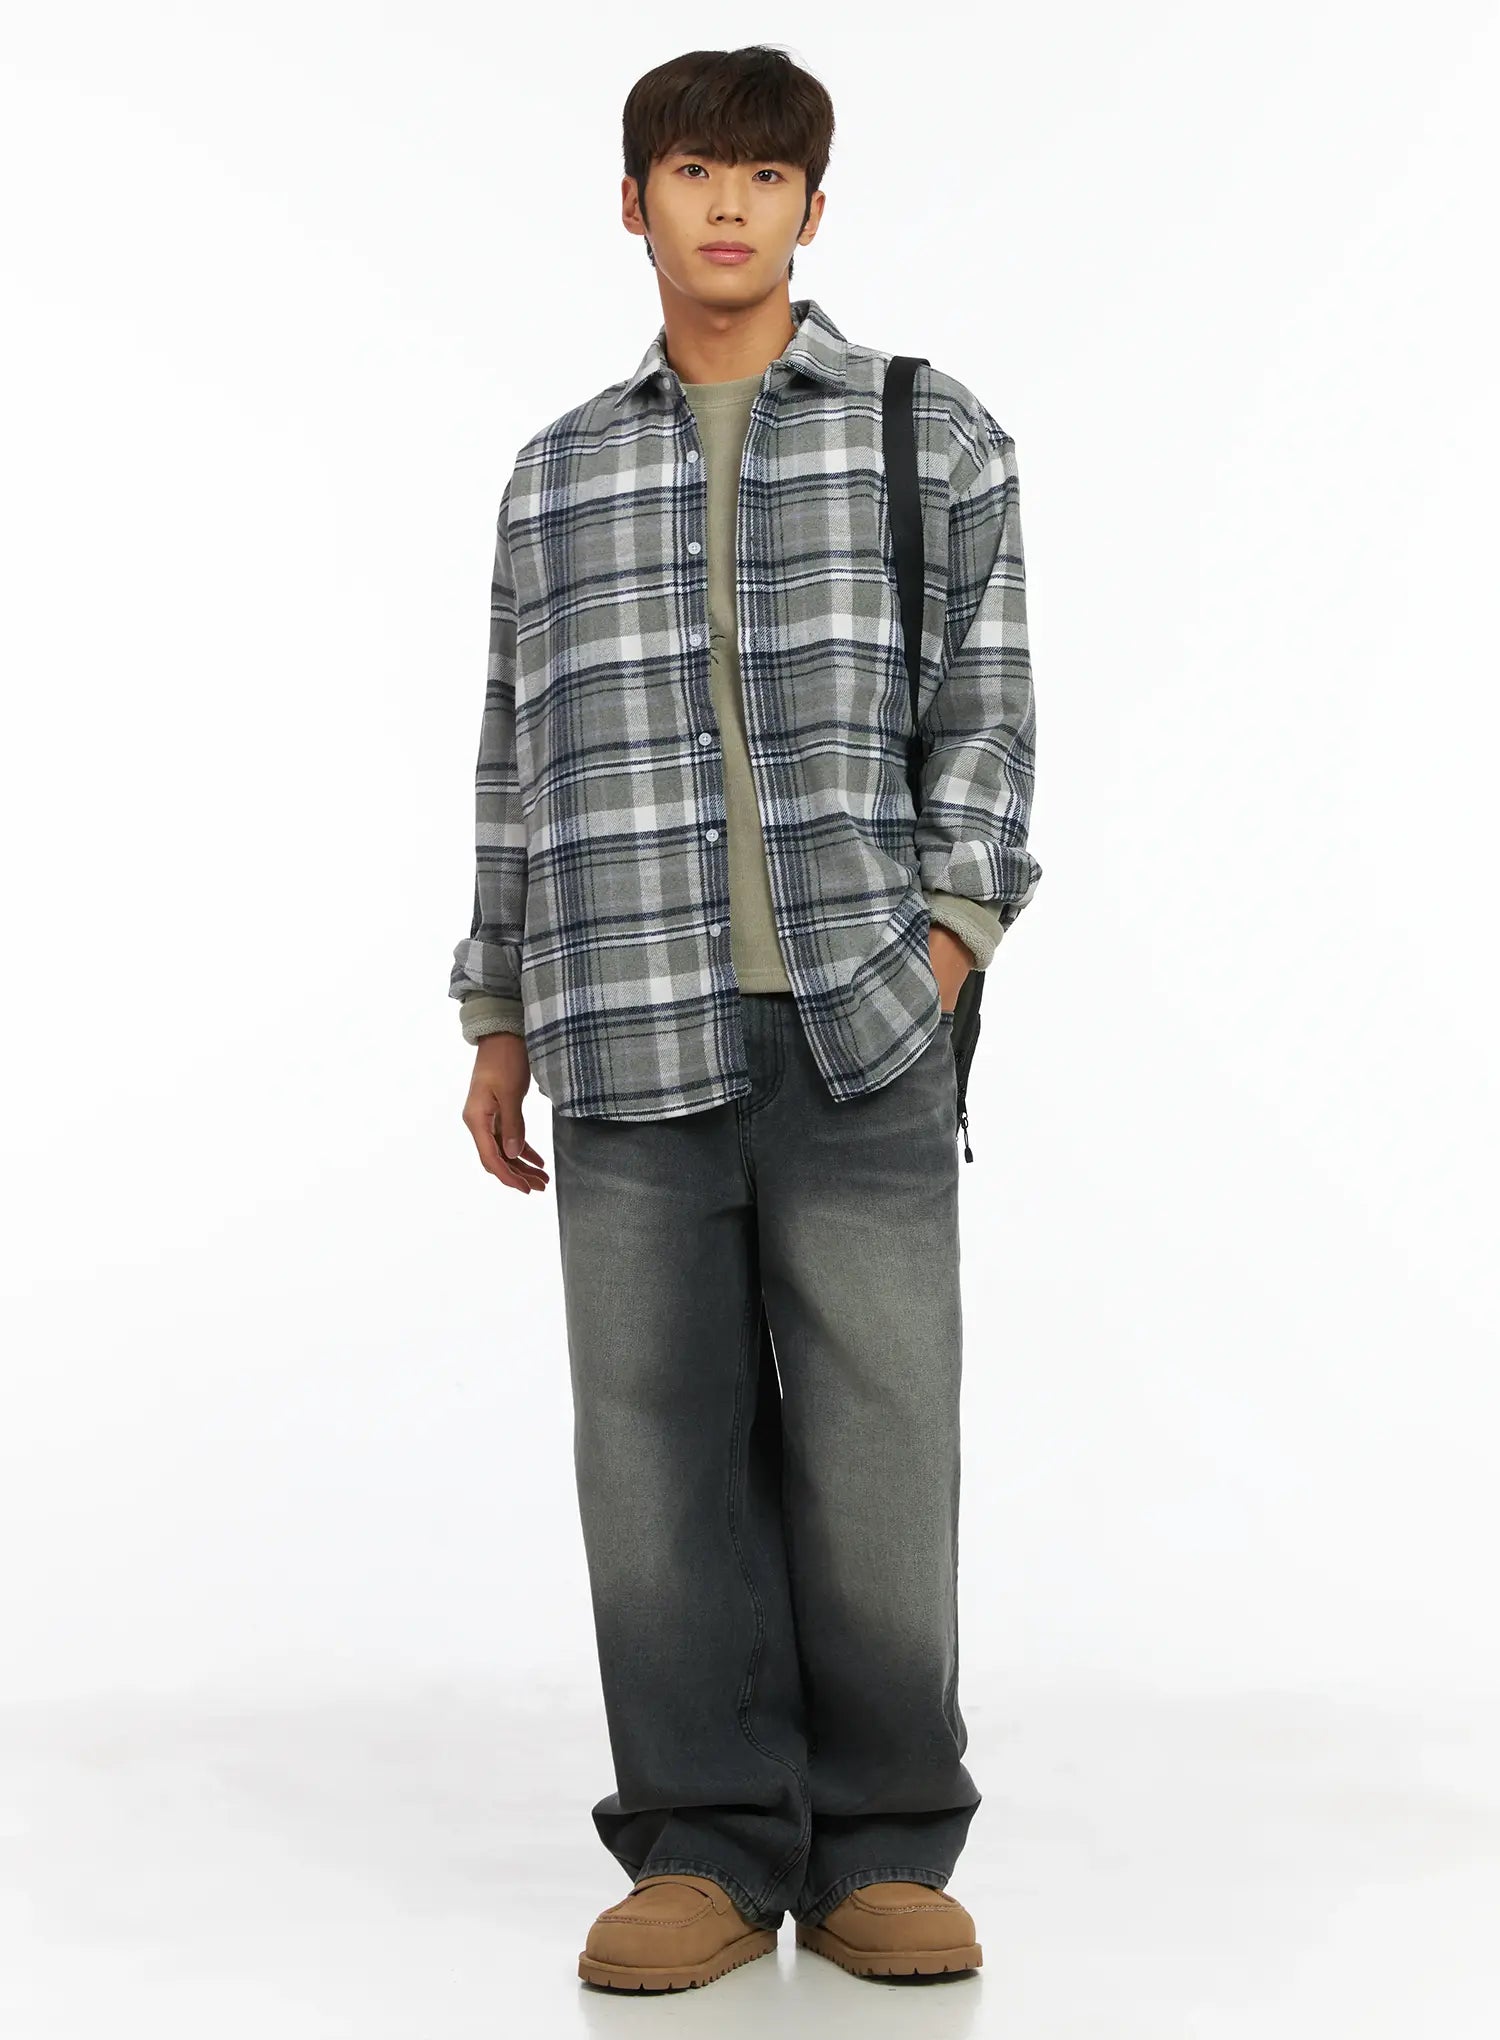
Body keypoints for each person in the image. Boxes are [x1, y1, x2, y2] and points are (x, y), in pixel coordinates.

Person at [450, 44, 1041, 1993]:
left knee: (881, 1457)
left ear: (812, 207)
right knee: (655, 1464)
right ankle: (702, 1847)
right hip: (622, 1025)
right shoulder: (557, 471)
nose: (729, 204)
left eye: (766, 177)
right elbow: (516, 755)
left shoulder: (926, 432)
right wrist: (498, 1006)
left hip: (861, 1033)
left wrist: (939, 950)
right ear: (634, 204)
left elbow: (988, 717)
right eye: (695, 171)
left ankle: (880, 1844)